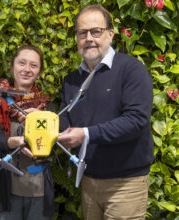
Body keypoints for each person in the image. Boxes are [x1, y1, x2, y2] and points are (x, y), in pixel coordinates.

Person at [58, 4, 154, 220]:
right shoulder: (72, 80)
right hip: (89, 181)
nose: (89, 38)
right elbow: (65, 119)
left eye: (96, 31)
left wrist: (85, 134)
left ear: (110, 34)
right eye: (82, 33)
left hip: (125, 183)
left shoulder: (131, 69)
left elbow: (136, 120)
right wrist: (42, 121)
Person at [0, 45, 55, 220]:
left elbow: (54, 145)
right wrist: (15, 142)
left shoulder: (47, 107)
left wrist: (41, 121)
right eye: (21, 63)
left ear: (39, 73)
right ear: (12, 67)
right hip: (7, 190)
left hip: (38, 190)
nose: (27, 69)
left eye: (33, 65)